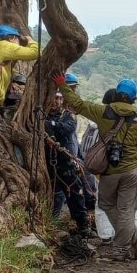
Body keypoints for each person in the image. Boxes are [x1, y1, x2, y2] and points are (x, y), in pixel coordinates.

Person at [57, 75, 137, 261]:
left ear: (117, 94)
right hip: (132, 171)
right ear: (133, 98)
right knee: (126, 209)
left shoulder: (103, 112)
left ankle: (121, 248)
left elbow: (79, 104)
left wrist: (62, 85)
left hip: (109, 171)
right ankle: (132, 236)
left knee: (106, 204)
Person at [44, 91, 93, 235]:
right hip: (48, 161)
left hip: (66, 162)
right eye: (53, 97)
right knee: (54, 193)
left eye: (59, 98)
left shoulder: (68, 115)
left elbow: (67, 128)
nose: (55, 101)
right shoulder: (43, 115)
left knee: (74, 193)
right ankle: (51, 222)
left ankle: (83, 225)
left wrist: (49, 124)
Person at [0, 24, 40, 105]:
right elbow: (36, 52)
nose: (19, 45)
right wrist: (30, 40)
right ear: (12, 38)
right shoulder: (4, 45)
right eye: (18, 40)